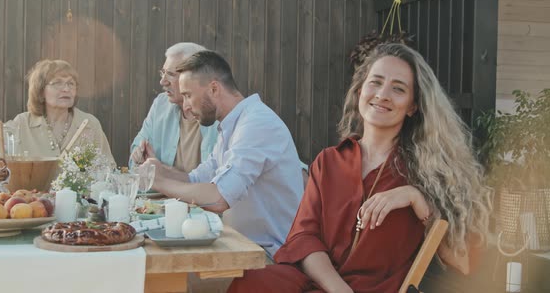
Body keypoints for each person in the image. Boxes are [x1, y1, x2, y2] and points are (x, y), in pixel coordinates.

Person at [228, 43, 492, 293]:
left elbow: (462, 261)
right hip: (320, 282)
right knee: (253, 281)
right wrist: (338, 288)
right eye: (375, 82)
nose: (382, 94)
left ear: (413, 106)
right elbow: (305, 238)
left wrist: (416, 198)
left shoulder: (428, 170)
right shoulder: (329, 161)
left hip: (375, 289)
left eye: (398, 89)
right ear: (360, 91)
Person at [142, 50, 304, 257]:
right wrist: (160, 169)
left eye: (188, 95)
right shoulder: (232, 124)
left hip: (271, 256)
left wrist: (157, 182)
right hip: (240, 247)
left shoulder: (256, 124)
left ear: (214, 88)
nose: (187, 106)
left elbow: (219, 198)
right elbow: (196, 178)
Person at [0, 59, 115, 166]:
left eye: (70, 83)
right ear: (41, 91)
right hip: (32, 192)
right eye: (57, 83)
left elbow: (108, 169)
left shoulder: (90, 124)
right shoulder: (22, 124)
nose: (66, 89)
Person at [129, 42, 218, 172]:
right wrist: (139, 157)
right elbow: (136, 153)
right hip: (161, 192)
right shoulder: (161, 104)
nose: (162, 81)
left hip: (201, 191)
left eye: (170, 74)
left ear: (194, 78)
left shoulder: (219, 114)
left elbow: (219, 178)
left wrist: (161, 169)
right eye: (163, 73)